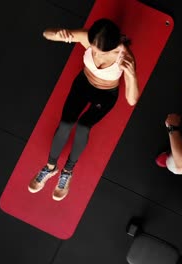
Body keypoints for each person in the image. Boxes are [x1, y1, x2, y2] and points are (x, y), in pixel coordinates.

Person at [28, 18, 139, 201]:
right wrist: (59, 33)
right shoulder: (87, 37)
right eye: (93, 48)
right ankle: (50, 168)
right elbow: (46, 33)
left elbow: (131, 99)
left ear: (114, 46)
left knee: (83, 127)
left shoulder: (125, 56)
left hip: (105, 95)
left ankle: (68, 171)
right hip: (83, 84)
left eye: (100, 51)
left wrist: (133, 75)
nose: (95, 53)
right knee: (65, 124)